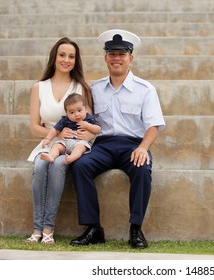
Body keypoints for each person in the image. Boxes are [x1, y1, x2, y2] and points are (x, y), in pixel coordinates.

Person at [70, 29, 165, 249]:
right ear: (105, 58)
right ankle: (94, 228)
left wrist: (143, 148)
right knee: (80, 165)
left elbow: (153, 125)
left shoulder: (145, 89)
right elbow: (89, 120)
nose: (116, 58)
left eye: (122, 54)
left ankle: (135, 229)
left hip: (132, 145)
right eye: (112, 54)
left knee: (142, 168)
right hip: (102, 146)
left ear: (130, 58)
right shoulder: (95, 89)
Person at [26, 37, 93, 244]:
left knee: (56, 165)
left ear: (76, 60)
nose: (66, 60)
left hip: (72, 144)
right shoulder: (39, 86)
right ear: (54, 57)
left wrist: (80, 139)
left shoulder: (81, 87)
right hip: (48, 141)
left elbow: (90, 124)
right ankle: (36, 229)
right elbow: (34, 126)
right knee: (39, 165)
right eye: (62, 55)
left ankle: (48, 229)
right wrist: (56, 134)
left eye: (71, 56)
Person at [40, 93, 101, 164]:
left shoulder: (89, 119)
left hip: (81, 142)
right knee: (57, 146)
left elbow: (98, 129)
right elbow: (55, 130)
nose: (77, 114)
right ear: (67, 113)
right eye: (72, 112)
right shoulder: (65, 120)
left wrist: (87, 126)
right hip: (66, 142)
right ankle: (51, 156)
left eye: (79, 110)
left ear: (85, 109)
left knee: (80, 147)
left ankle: (71, 158)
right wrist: (48, 139)